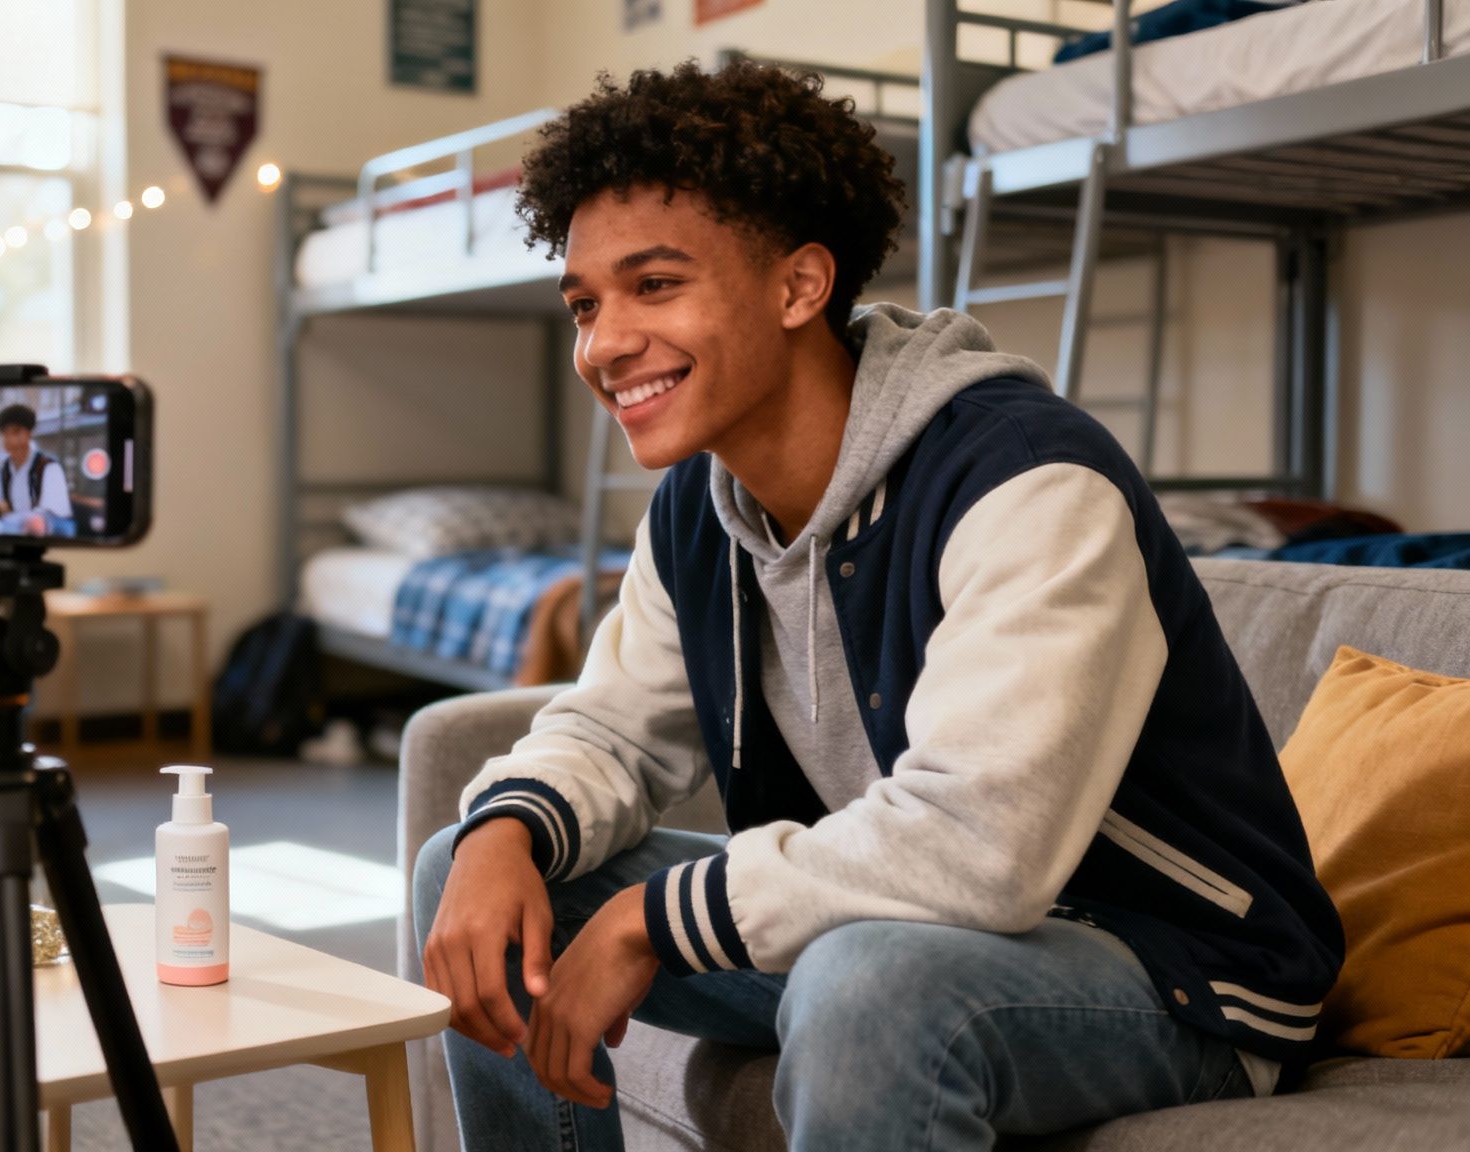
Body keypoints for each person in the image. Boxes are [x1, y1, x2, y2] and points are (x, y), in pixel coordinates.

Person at [411, 60, 1342, 1151]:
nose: (602, 343)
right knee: (475, 874)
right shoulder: (697, 510)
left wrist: (650, 921)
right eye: (584, 303)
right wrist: (503, 831)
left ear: (799, 287)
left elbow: (977, 846)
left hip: (1175, 973)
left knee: (865, 986)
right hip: (904, 929)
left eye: (653, 286)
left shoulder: (1025, 478)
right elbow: (611, 730)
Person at [0, 403, 72, 537]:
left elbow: (46, 519)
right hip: (8, 530)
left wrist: (1, 513)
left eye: (15, 432)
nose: (9, 439)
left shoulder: (49, 468)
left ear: (28, 434)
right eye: (5, 434)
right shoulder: (0, 470)